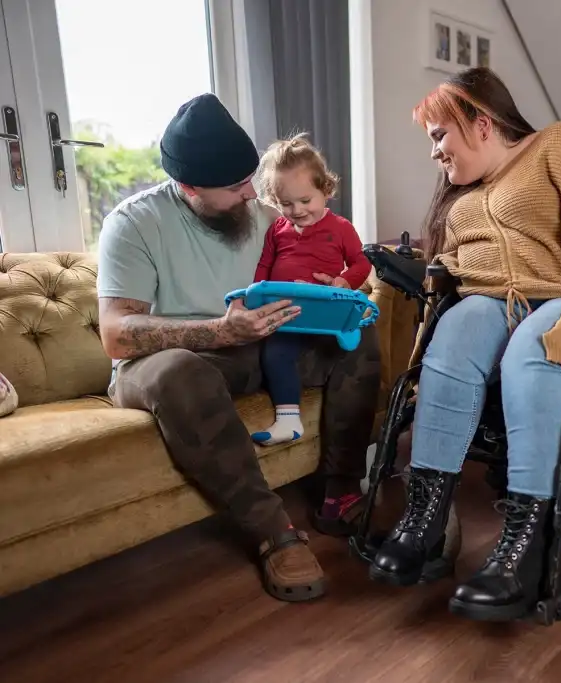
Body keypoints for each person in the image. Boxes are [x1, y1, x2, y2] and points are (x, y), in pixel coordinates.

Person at [369, 68, 561, 622]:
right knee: (453, 338)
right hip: (492, 302)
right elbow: (465, 270)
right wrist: (418, 270)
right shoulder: (464, 193)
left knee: (529, 352)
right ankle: (424, 523)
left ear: (481, 123)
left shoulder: (560, 144)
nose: (434, 153)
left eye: (439, 135)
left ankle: (526, 554)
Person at [96, 93, 381, 603]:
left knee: (355, 336)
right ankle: (274, 532)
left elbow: (319, 268)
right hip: (168, 363)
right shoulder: (135, 222)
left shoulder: (263, 216)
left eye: (251, 179)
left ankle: (340, 492)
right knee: (179, 372)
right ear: (189, 188)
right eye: (235, 186)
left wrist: (335, 292)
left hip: (256, 346)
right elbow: (117, 332)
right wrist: (219, 331)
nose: (252, 194)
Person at [250, 134, 371, 451]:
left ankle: (345, 331)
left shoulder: (341, 228)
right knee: (274, 353)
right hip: (288, 310)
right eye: (286, 204)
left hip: (324, 306)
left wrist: (344, 281)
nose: (297, 210)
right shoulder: (277, 230)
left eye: (305, 201)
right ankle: (289, 421)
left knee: (349, 350)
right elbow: (265, 264)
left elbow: (361, 263)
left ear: (326, 190)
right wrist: (255, 295)